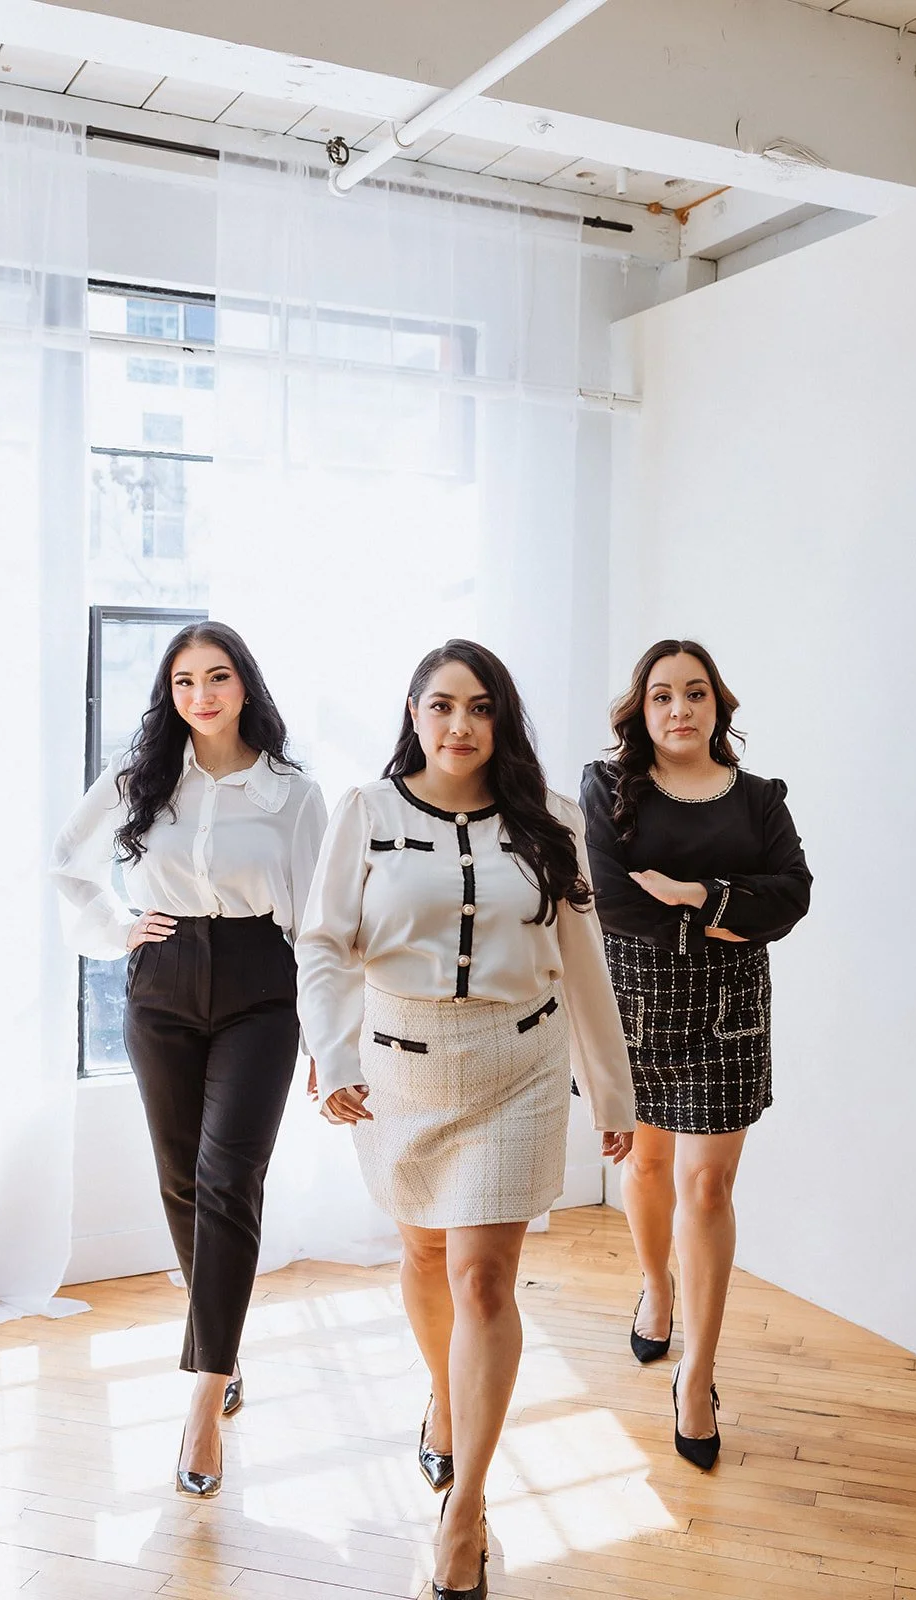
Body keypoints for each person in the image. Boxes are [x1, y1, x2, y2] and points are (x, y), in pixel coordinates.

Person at [296, 639, 635, 1600]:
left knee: (483, 1279)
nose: (459, 725)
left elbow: (583, 962)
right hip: (397, 1070)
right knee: (421, 1259)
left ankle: (467, 1508)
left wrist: (612, 1091)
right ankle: (447, 1399)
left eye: (479, 708)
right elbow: (321, 943)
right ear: (412, 713)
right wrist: (335, 1055)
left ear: (500, 721)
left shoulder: (549, 824)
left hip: (517, 1066)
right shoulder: (364, 812)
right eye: (441, 705)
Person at [51, 621, 326, 1498]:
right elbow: (66, 862)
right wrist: (115, 929)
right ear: (169, 694)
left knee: (228, 1178)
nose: (200, 696)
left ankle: (203, 1397)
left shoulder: (291, 794)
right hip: (161, 980)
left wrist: (330, 1033)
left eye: (216, 677)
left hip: (261, 983)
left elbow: (320, 919)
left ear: (246, 684)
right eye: (182, 682)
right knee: (181, 1178)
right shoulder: (140, 781)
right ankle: (224, 1347)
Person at [580, 638, 811, 1469]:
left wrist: (693, 894)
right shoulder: (608, 788)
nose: (679, 708)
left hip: (730, 1012)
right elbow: (608, 900)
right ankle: (655, 1286)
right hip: (633, 1008)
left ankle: (697, 1373)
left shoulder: (756, 799)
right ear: (640, 711)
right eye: (661, 695)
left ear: (718, 706)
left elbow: (793, 894)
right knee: (644, 1169)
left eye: (695, 693)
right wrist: (723, 912)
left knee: (705, 1186)